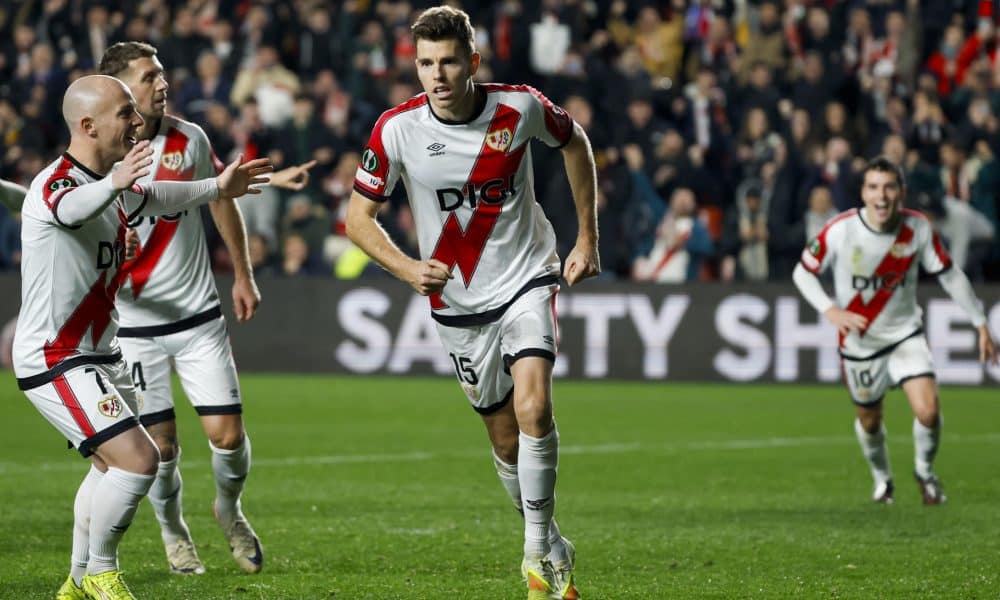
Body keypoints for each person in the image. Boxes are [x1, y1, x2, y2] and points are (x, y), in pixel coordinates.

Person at [346, 7, 599, 600]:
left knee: (535, 407)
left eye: (449, 61)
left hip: (525, 277)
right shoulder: (396, 128)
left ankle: (535, 554)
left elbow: (576, 142)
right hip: (457, 302)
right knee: (506, 438)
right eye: (426, 63)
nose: (437, 74)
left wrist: (587, 236)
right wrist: (408, 267)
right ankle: (551, 537)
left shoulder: (520, 106)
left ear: (473, 62)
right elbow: (358, 218)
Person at [13, 75, 269, 600]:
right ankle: (103, 573)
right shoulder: (56, 184)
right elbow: (70, 211)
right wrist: (111, 184)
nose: (137, 123)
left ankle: (77, 581)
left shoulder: (116, 189)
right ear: (87, 126)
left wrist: (217, 188)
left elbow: (157, 195)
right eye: (125, 113)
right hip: (55, 358)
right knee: (142, 461)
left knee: (109, 467)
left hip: (98, 355)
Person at [97, 41, 315, 576]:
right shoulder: (100, 155)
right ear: (122, 91)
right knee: (162, 449)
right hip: (135, 329)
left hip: (198, 318)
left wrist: (242, 273)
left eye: (162, 72)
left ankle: (230, 510)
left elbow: (221, 195)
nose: (162, 82)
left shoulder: (189, 138)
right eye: (150, 76)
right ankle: (174, 532)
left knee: (228, 437)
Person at [793, 156, 997, 506]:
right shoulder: (841, 230)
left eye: (889, 187)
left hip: (905, 335)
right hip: (859, 344)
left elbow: (949, 275)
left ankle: (925, 473)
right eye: (874, 187)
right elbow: (803, 272)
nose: (882, 196)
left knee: (928, 411)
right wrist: (831, 310)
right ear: (863, 193)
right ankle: (882, 480)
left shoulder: (917, 229)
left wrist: (980, 322)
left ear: (901, 192)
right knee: (870, 421)